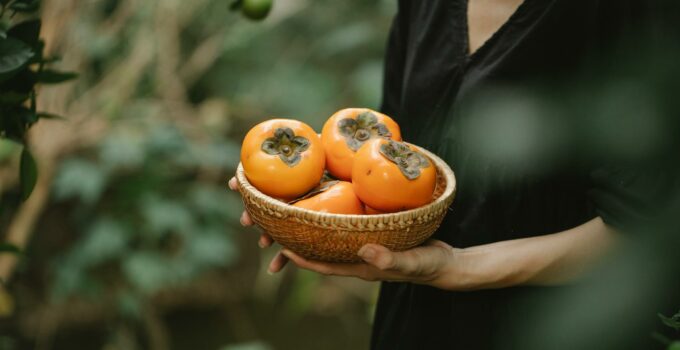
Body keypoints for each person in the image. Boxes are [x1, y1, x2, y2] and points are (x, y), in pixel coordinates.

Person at [229, 0, 674, 348]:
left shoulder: (634, 12)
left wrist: (460, 268)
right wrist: (306, 210)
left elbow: (646, 229)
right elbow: (384, 161)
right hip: (414, 323)